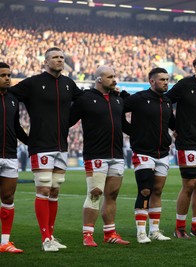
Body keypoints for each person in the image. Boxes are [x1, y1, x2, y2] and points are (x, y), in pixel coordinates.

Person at [9, 47, 83, 251]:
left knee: (54, 190)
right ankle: (45, 240)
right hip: (41, 145)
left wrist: (70, 120)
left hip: (61, 145)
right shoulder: (33, 83)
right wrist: (20, 132)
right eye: (55, 58)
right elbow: (9, 96)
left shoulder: (69, 84)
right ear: (46, 62)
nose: (60, 60)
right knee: (43, 189)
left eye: (62, 57)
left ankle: (51, 235)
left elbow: (83, 102)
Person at [69, 65, 130, 247]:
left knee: (112, 194)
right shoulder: (85, 99)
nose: (114, 80)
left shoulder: (117, 100)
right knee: (95, 194)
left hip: (117, 154)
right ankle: (87, 235)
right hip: (95, 155)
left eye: (114, 76)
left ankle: (110, 233)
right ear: (99, 79)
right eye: (110, 77)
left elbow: (125, 126)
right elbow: (68, 121)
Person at [166, 56, 196, 238]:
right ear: (195, 68)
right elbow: (165, 102)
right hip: (187, 143)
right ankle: (179, 228)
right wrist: (174, 126)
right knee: (189, 185)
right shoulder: (184, 85)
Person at [123, 67, 175, 243]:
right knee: (145, 190)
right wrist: (132, 131)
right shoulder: (139, 98)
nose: (166, 82)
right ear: (151, 81)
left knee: (157, 191)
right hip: (143, 152)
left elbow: (173, 123)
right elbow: (119, 111)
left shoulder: (167, 101)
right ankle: (141, 232)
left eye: (167, 79)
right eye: (162, 79)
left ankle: (154, 230)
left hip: (163, 153)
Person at [0, 62, 28, 253]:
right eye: (3, 75)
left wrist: (31, 142)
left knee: (8, 197)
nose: (8, 78)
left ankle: (5, 242)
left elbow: (16, 127)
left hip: (10, 154)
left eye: (9, 75)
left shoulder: (12, 99)